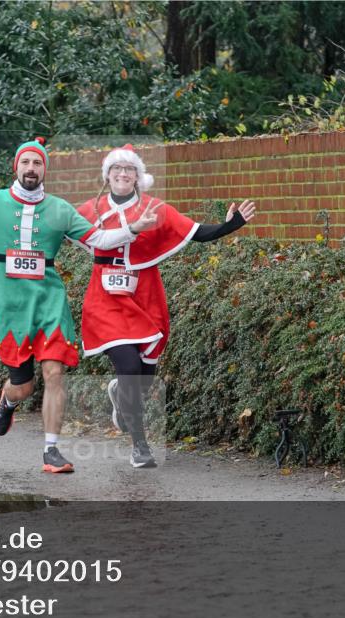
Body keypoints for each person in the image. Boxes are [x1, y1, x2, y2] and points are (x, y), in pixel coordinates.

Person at [0, 135, 158, 473]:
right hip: (6, 304)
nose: (31, 168)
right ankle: (8, 401)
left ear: (44, 169)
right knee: (23, 386)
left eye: (37, 163)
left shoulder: (60, 209)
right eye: (25, 162)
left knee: (54, 372)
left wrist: (133, 228)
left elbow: (99, 240)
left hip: (48, 300)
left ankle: (51, 451)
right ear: (16, 167)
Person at [74, 144, 256, 468]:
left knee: (143, 378)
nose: (122, 174)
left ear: (138, 177)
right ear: (107, 175)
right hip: (105, 298)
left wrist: (231, 225)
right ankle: (140, 446)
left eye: (129, 169)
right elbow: (54, 229)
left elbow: (196, 232)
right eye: (116, 168)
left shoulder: (156, 209)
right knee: (129, 366)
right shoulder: (90, 209)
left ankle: (122, 400)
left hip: (145, 295)